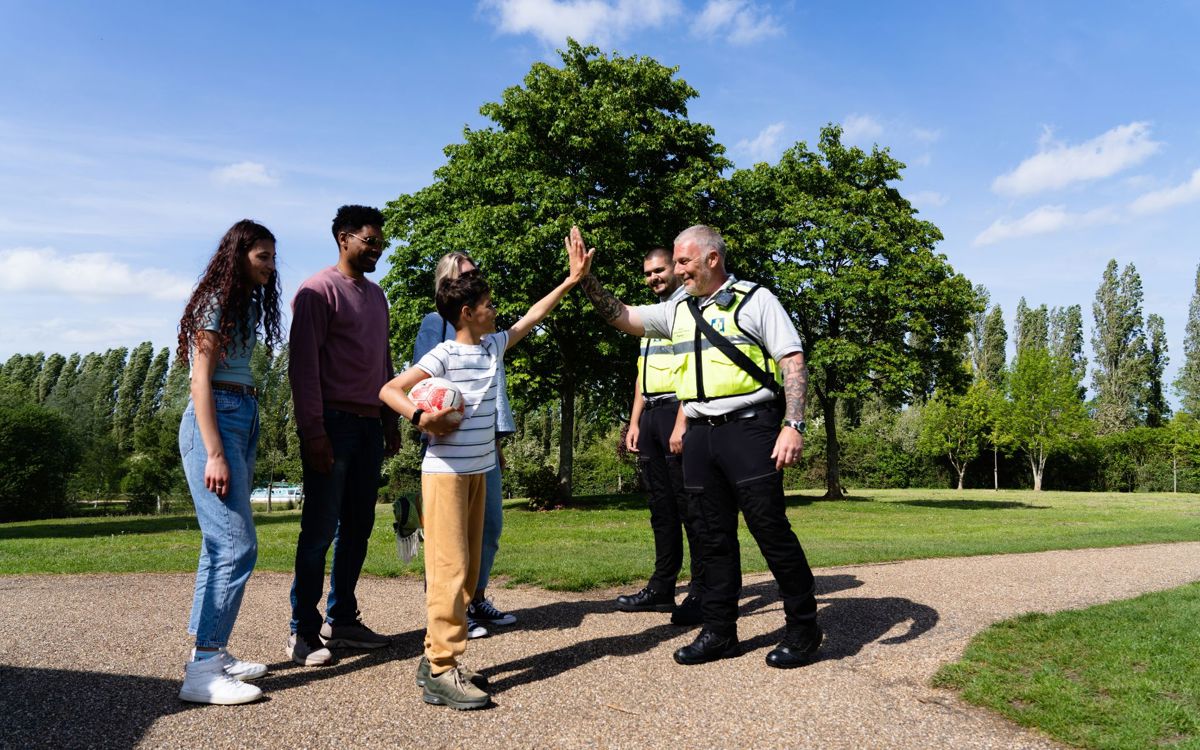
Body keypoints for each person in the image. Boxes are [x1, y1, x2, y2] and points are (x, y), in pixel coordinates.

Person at [569, 224, 823, 669]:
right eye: (676, 261)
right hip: (699, 435)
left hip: (750, 429)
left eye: (684, 261)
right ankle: (720, 631)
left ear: (712, 259)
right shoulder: (678, 310)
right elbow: (621, 315)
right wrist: (584, 279)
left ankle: (803, 629)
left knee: (771, 532)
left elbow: (792, 359)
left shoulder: (755, 299)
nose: (678, 269)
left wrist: (793, 424)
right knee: (711, 538)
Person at [379, 248, 592, 710]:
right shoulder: (443, 353)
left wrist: (571, 282)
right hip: (445, 477)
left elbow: (533, 316)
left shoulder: (492, 346)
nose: (496, 311)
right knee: (449, 570)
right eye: (489, 306)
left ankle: (432, 657)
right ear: (467, 313)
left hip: (480, 471)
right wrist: (421, 418)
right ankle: (442, 670)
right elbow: (390, 390)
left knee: (470, 570)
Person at [287, 205, 400, 666]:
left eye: (380, 243)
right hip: (331, 425)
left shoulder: (377, 297)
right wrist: (313, 431)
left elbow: (384, 362)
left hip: (369, 425)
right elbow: (303, 369)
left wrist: (390, 419)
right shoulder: (317, 292)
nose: (377, 249)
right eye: (370, 241)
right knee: (318, 531)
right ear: (343, 238)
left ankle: (344, 619)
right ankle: (303, 631)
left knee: (358, 527)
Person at [176, 219, 282, 704]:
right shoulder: (217, 302)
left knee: (219, 546)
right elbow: (200, 380)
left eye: (273, 257)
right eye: (262, 256)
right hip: (215, 417)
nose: (270, 265)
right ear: (238, 256)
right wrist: (214, 451)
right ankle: (202, 670)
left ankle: (212, 654)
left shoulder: (245, 304)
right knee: (235, 545)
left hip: (241, 412)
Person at [413, 252, 518, 640]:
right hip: (448, 451)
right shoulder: (436, 326)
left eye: (477, 273)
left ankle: (476, 597)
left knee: (488, 528)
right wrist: (427, 424)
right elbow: (421, 389)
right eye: (466, 275)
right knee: (449, 543)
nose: (475, 278)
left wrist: (494, 441)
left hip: (483, 446)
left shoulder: (490, 339)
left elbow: (485, 391)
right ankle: (450, 612)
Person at [617, 247, 705, 626]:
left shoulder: (688, 310)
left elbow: (693, 369)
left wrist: (682, 422)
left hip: (676, 413)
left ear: (675, 268)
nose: (654, 277)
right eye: (648, 273)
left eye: (659, 270)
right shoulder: (650, 318)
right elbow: (641, 375)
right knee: (660, 509)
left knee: (691, 508)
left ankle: (703, 589)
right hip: (650, 415)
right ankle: (662, 587)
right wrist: (634, 422)